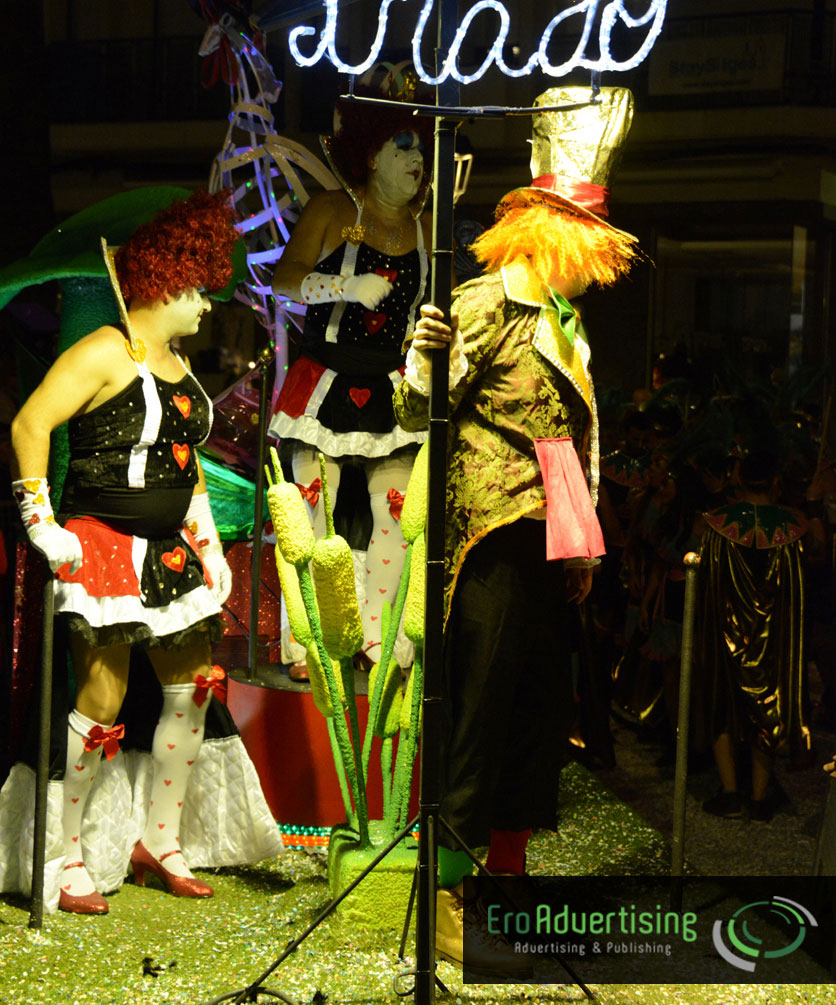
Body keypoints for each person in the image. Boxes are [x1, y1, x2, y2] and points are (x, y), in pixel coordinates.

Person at [393, 86, 639, 973]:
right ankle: (448, 899)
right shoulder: (483, 304)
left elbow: (576, 438)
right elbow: (420, 404)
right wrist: (424, 358)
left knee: (536, 720)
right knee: (478, 717)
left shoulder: (567, 324)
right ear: (553, 234)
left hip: (549, 540)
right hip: (490, 540)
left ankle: (506, 882)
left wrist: (582, 541)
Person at [0, 190, 282, 914]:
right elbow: (30, 424)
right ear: (163, 280)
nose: (206, 304)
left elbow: (184, 472)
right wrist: (41, 522)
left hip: (169, 554)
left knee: (191, 690)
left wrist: (210, 544)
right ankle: (63, 855)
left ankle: (160, 840)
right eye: (197, 288)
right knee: (101, 698)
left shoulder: (183, 365)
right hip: (102, 549)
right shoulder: (102, 351)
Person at [270, 77, 434, 669]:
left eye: (422, 149)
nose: (418, 160)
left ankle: (381, 639)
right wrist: (343, 286)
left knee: (395, 518)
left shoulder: (426, 230)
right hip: (324, 385)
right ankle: (309, 642)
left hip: (392, 391)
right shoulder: (332, 210)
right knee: (316, 515)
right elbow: (283, 282)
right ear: (371, 154)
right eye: (404, 145)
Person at [695, 448, 811, 821]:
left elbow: (705, 582)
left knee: (722, 704)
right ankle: (760, 796)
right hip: (774, 637)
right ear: (776, 480)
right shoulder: (793, 528)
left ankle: (730, 792)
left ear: (739, 479)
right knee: (768, 707)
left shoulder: (716, 525)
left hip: (725, 634)